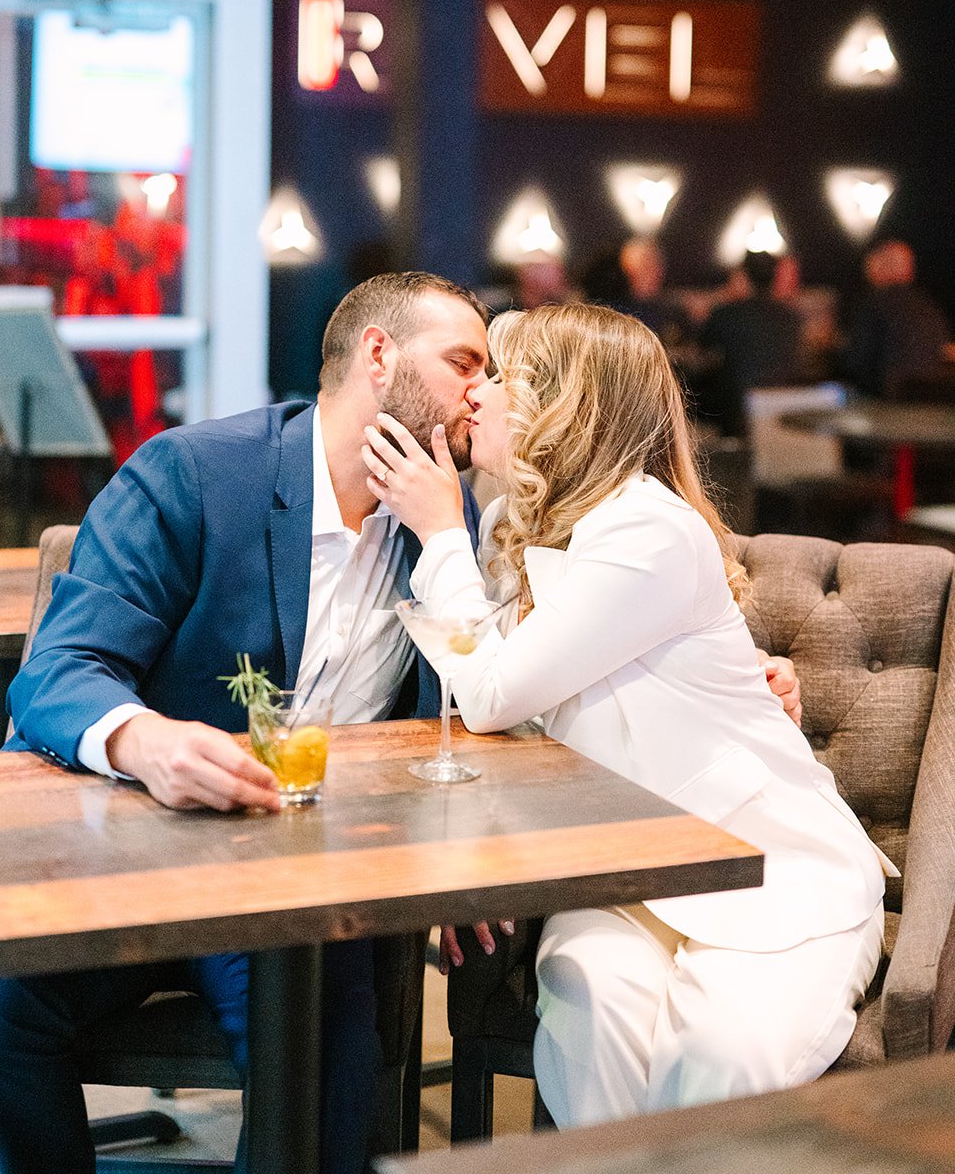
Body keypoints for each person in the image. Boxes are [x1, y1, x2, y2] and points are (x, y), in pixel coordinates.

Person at [0, 270, 491, 1174]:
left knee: (327, 1072)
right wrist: (143, 741)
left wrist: (461, 862)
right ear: (378, 356)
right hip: (121, 847)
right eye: (463, 362)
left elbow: (472, 710)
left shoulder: (445, 527)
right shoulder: (195, 473)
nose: (479, 392)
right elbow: (61, 668)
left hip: (294, 884)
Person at [362, 303, 888, 1129]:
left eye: (501, 378)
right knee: (591, 1015)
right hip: (617, 866)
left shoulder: (648, 529)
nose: (477, 397)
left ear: (562, 407)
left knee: (719, 1056)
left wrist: (436, 534)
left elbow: (492, 692)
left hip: (759, 863)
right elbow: (510, 715)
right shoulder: (510, 524)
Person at [702, 249, 806, 433]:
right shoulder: (792, 317)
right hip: (785, 410)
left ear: (744, 277)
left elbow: (704, 350)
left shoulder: (725, 313)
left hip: (737, 411)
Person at [843, 239, 950, 398]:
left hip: (890, 399)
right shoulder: (928, 306)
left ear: (878, 266)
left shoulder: (874, 302)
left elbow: (859, 360)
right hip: (931, 399)